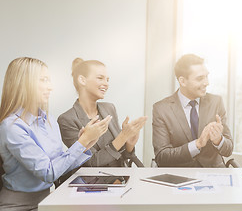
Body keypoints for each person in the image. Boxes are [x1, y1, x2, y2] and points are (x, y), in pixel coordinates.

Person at [0, 57, 110, 210]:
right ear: (23, 84)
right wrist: (81, 142)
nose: (50, 87)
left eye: (49, 80)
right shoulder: (12, 127)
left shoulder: (48, 120)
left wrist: (85, 145)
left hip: (48, 200)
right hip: (18, 205)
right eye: (43, 80)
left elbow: (59, 165)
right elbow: (48, 173)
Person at [58, 58, 147, 169]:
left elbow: (122, 155)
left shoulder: (109, 108)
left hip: (121, 179)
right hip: (93, 184)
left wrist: (129, 143)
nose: (106, 84)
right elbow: (91, 162)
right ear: (82, 80)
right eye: (100, 78)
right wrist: (123, 136)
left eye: (107, 80)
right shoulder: (67, 120)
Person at [153, 54, 233, 167]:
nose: (207, 82)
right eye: (200, 78)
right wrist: (197, 144)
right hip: (180, 177)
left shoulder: (216, 102)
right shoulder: (162, 109)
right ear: (182, 81)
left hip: (213, 175)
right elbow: (162, 157)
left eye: (207, 76)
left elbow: (228, 149)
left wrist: (218, 140)